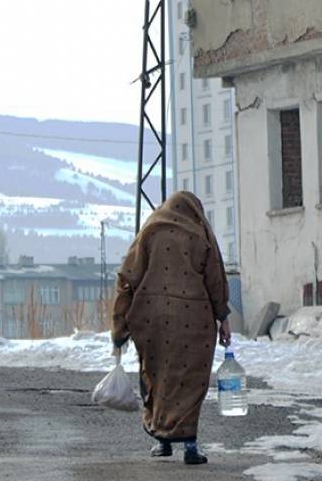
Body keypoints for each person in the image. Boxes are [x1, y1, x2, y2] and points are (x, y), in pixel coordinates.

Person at [111, 191, 232, 465]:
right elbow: (215, 280)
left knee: (157, 376)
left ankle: (162, 440)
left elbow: (127, 278)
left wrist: (119, 328)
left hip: (152, 319)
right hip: (195, 319)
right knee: (190, 380)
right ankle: (189, 445)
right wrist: (223, 317)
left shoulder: (150, 230)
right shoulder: (200, 233)